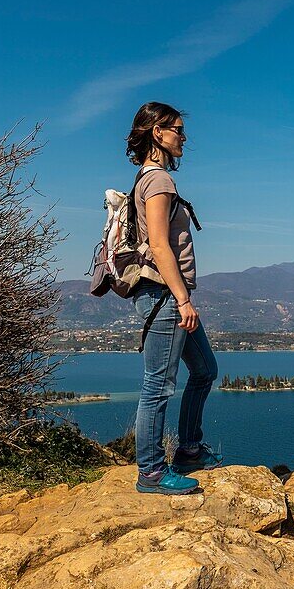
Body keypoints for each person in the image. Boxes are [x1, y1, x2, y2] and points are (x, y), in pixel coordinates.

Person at [126, 102, 223, 494]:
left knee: (204, 370)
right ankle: (150, 472)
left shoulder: (150, 179)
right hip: (165, 297)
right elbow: (161, 247)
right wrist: (183, 300)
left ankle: (189, 450)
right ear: (156, 133)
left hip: (167, 295)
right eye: (177, 130)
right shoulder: (159, 182)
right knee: (159, 385)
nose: (184, 137)